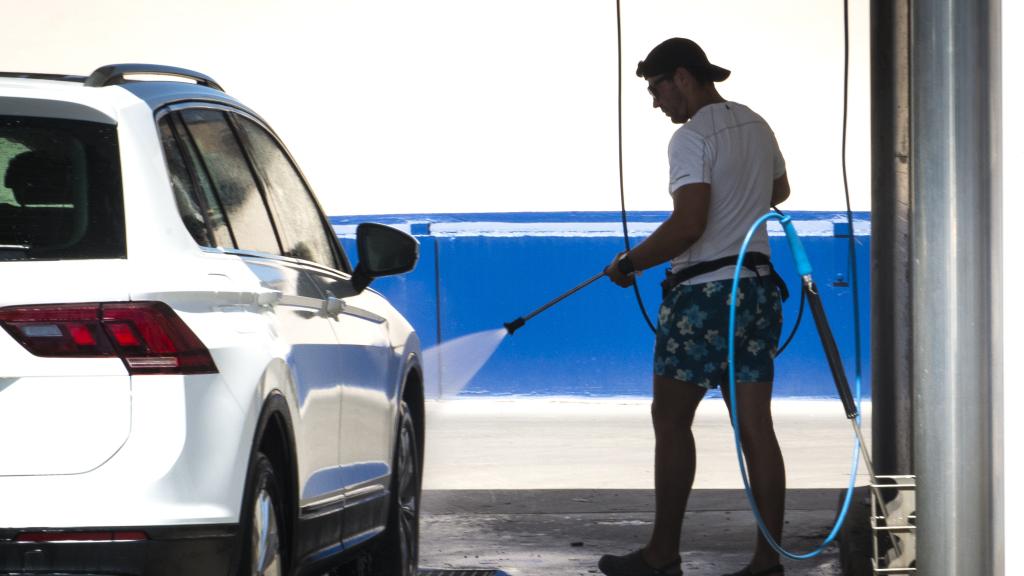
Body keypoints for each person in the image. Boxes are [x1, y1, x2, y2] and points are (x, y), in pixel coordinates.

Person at [599, 38, 790, 576]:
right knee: (755, 426)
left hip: (704, 296)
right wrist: (740, 193)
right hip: (757, 290)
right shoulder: (756, 123)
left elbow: (689, 225)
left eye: (656, 88)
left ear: (682, 77)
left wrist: (629, 263)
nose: (656, 103)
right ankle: (767, 561)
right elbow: (781, 188)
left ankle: (662, 554)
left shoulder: (690, 138)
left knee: (672, 419)